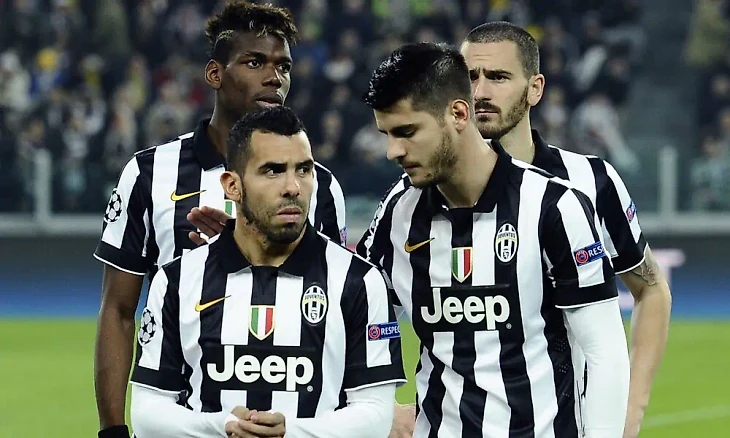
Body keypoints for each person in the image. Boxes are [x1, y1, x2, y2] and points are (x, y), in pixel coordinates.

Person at [93, 3, 346, 437]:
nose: (275, 77)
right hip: (183, 419)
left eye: (283, 66)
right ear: (215, 74)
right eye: (255, 62)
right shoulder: (150, 174)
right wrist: (113, 430)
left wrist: (249, 244)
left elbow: (336, 308)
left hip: (291, 419)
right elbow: (118, 310)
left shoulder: (317, 184)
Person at [357, 42, 630, 437]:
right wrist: (378, 409)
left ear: (458, 114)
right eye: (386, 134)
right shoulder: (399, 212)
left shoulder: (554, 207)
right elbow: (357, 321)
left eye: (407, 132)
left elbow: (604, 350)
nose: (392, 151)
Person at [130, 106, 405, 438]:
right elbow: (147, 413)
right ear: (233, 186)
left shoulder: (359, 281)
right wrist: (223, 427)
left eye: (303, 170)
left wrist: (290, 432)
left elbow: (375, 415)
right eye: (273, 171)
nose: (293, 187)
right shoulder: (176, 281)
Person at [459, 22, 671, 437]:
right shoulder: (423, 193)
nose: (480, 91)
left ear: (535, 89)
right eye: (470, 77)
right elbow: (366, 305)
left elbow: (650, 288)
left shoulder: (590, 180)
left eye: (498, 77)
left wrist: (631, 408)